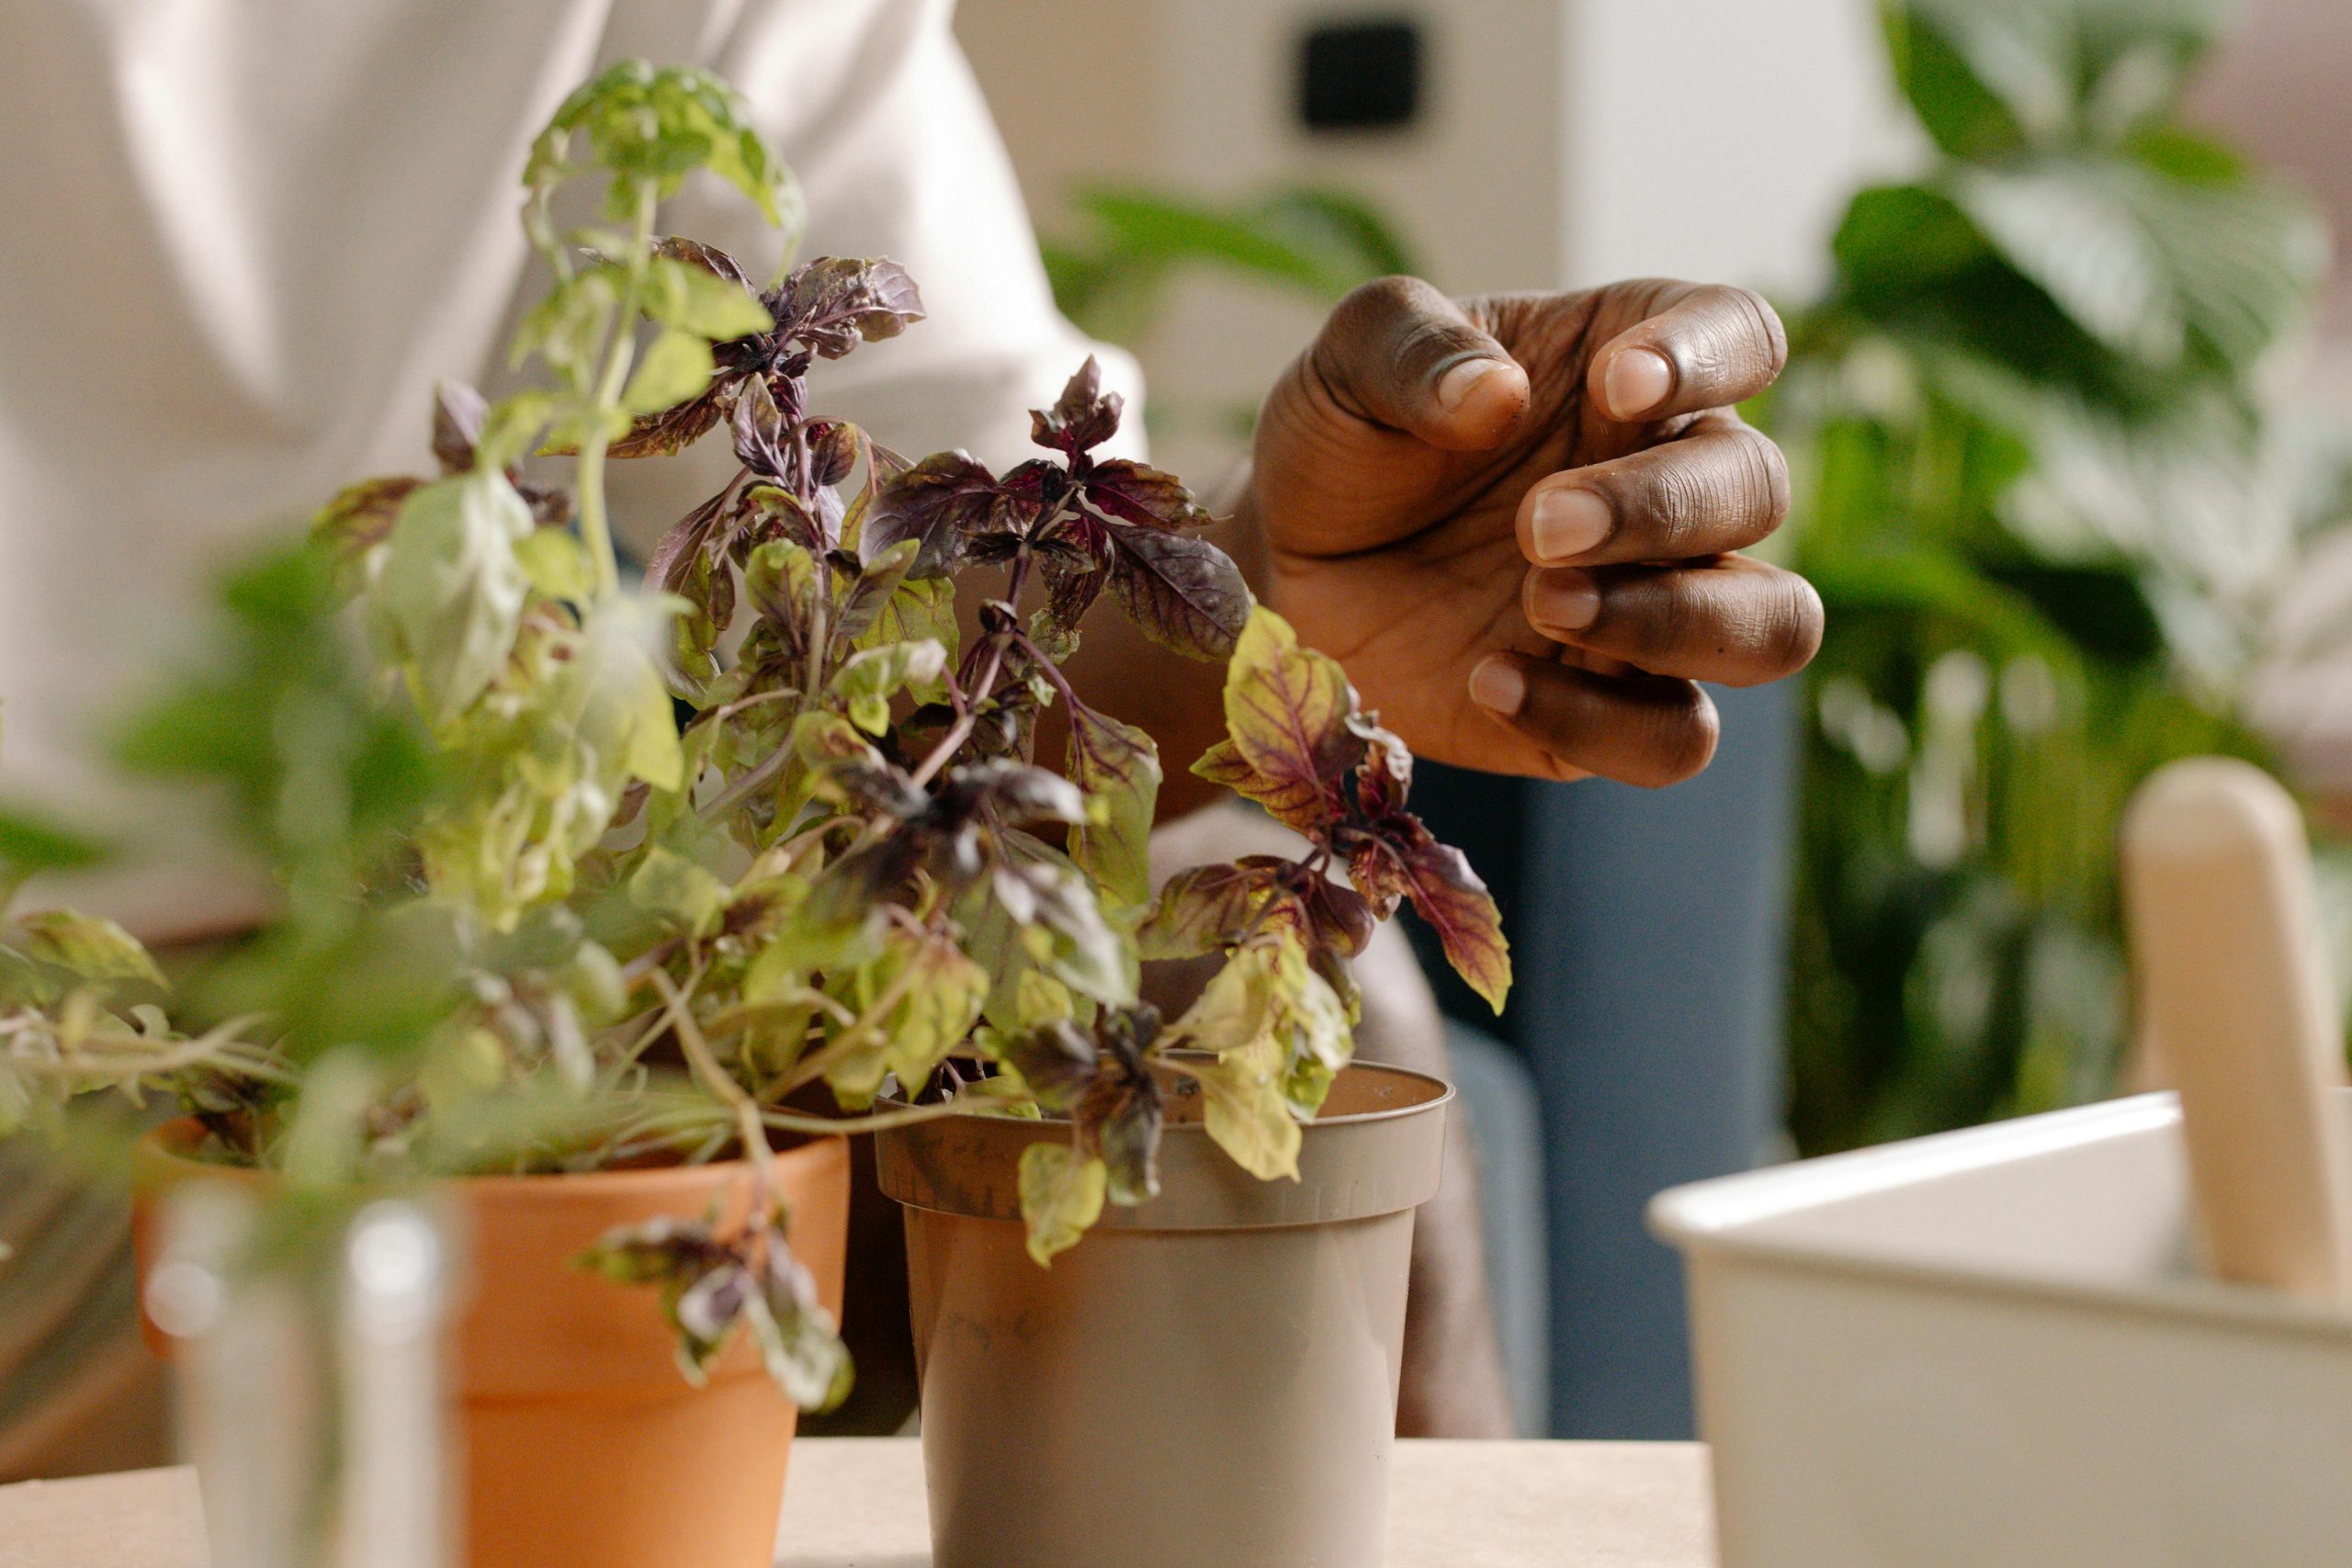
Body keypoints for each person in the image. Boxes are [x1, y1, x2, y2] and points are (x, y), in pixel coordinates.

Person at [0, 0, 1821, 1469]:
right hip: (79, 1043)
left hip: (434, 994)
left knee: (1264, 1103)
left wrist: (1276, 590)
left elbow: (943, 532)